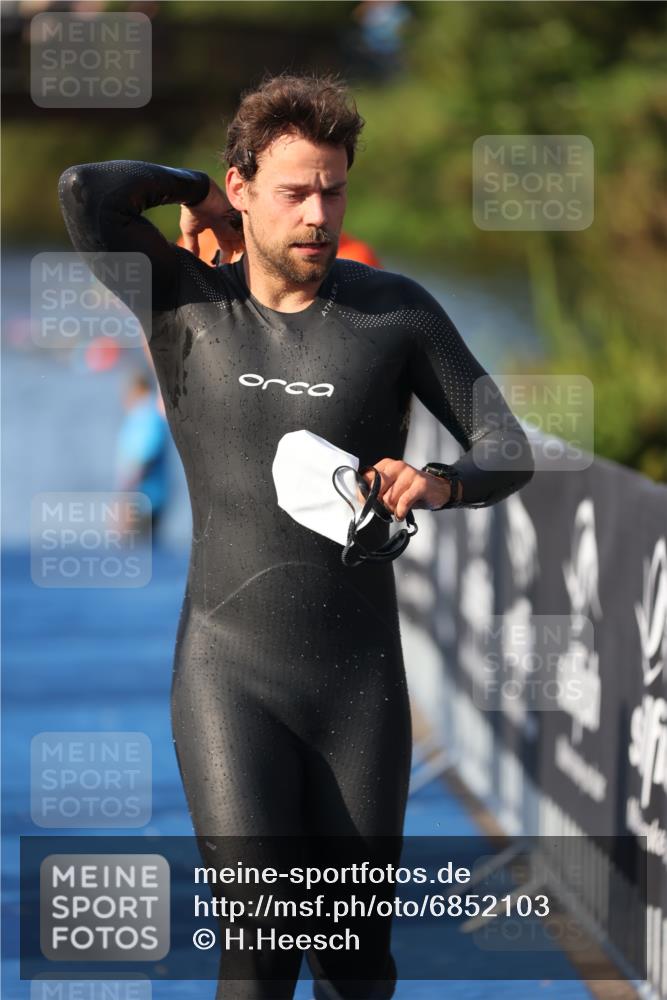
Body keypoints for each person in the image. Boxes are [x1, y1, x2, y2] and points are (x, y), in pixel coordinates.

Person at [58, 71, 534, 1000]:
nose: (318, 212)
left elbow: (507, 447)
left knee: (355, 964)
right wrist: (192, 193)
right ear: (243, 192)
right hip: (229, 676)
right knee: (263, 948)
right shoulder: (181, 299)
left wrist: (436, 482)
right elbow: (87, 190)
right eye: (293, 190)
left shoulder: (393, 313)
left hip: (360, 684)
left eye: (333, 189)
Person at [177, 223, 382, 268]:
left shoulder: (356, 257)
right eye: (293, 194)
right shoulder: (203, 238)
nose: (316, 215)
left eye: (329, 193)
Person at [114, 370, 169, 541]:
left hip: (145, 500)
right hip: (143, 498)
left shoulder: (147, 415)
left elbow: (146, 458)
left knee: (139, 555)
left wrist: (125, 498)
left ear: (137, 390)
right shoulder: (140, 415)